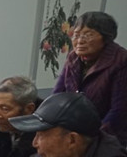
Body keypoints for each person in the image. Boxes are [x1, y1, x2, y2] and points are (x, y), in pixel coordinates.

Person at [53, 11, 127, 145]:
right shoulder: (73, 57)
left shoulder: (121, 61)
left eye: (88, 35)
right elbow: (57, 94)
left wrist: (91, 139)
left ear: (106, 38)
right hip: (73, 131)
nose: (80, 41)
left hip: (106, 137)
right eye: (76, 35)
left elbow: (119, 111)